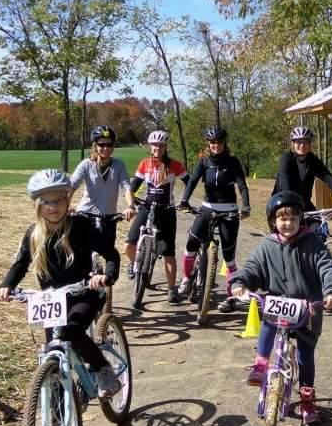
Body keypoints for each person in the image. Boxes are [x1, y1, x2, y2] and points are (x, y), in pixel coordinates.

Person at [0, 169, 122, 404]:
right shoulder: (33, 234)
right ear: (37, 205)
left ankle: (103, 369)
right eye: (47, 202)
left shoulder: (81, 226)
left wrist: (106, 277)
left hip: (84, 292)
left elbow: (111, 254)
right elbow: (20, 264)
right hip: (51, 301)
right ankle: (59, 413)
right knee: (51, 348)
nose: (54, 207)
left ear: (67, 199)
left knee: (72, 331)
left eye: (59, 200)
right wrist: (6, 285)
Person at [230, 191, 332, 426]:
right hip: (278, 304)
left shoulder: (312, 242)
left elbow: (327, 267)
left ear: (300, 219)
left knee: (305, 355)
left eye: (293, 218)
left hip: (307, 307)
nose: (288, 223)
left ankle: (307, 399)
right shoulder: (267, 246)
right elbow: (252, 268)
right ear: (273, 221)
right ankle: (261, 363)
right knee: (268, 323)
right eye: (282, 219)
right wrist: (240, 283)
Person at [175, 126, 251, 312]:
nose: (216, 145)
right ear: (208, 144)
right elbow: (192, 181)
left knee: (229, 257)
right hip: (207, 208)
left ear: (225, 144)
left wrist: (246, 206)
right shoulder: (204, 162)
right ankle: (186, 278)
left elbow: (242, 186)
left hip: (229, 210)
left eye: (219, 142)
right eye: (212, 142)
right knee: (192, 242)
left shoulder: (233, 162)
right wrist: (184, 199)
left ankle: (230, 296)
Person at [124, 129, 189, 304]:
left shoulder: (174, 165)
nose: (157, 148)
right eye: (154, 145)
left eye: (161, 145)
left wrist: (185, 200)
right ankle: (134, 264)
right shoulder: (144, 163)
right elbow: (134, 185)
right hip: (147, 207)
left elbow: (189, 183)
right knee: (128, 245)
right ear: (150, 146)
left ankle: (171, 289)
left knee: (168, 253)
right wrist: (132, 200)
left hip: (167, 211)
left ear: (165, 146)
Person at [70, 125, 136, 245]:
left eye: (110, 144)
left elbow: (126, 187)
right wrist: (65, 206)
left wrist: (130, 206)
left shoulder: (118, 165)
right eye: (102, 145)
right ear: (95, 145)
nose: (106, 148)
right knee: (81, 256)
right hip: (85, 216)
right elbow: (72, 186)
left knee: (112, 257)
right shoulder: (86, 164)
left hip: (109, 218)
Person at [273, 126, 332, 214]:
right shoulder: (287, 158)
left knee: (317, 224)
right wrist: (289, 201)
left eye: (306, 142)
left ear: (310, 144)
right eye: (299, 142)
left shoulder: (312, 160)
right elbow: (284, 180)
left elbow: (328, 177)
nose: (302, 145)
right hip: (283, 202)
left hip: (304, 203)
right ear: (293, 143)